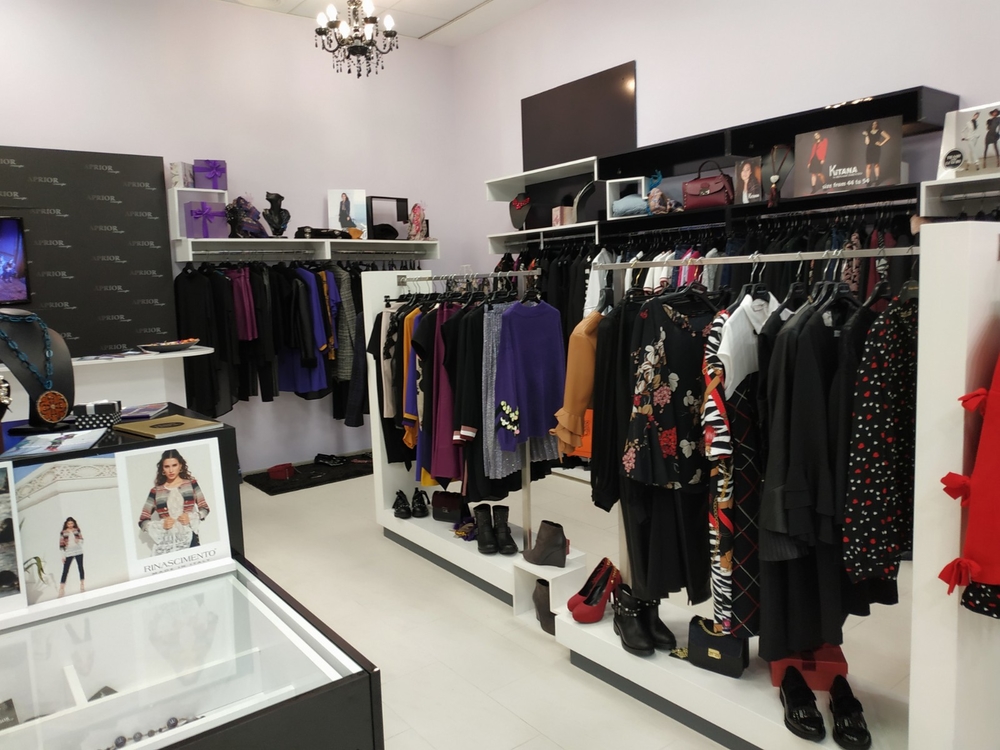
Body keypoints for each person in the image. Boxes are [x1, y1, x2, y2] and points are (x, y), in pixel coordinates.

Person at [137, 449, 211, 556]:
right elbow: (143, 521)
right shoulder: (156, 491)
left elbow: (205, 508)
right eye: (167, 466)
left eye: (174, 465)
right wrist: (161, 524)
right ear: (162, 469)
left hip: (189, 539)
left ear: (180, 466)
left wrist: (191, 517)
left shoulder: (191, 484)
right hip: (166, 543)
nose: (171, 470)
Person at [58, 517, 84, 597]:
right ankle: (61, 588)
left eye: (71, 523)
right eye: (69, 523)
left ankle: (82, 584)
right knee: (65, 570)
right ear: (66, 524)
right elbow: (61, 544)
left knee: (80, 567)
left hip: (78, 551)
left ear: (74, 523)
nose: (70, 525)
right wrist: (63, 555)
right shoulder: (63, 532)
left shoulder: (77, 530)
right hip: (68, 552)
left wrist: (78, 540)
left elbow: (81, 539)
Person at [864, 121, 891, 185]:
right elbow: (867, 143)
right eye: (873, 124)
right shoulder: (868, 131)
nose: (874, 125)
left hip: (876, 149)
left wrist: (881, 143)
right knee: (868, 165)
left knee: (876, 164)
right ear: (871, 124)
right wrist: (866, 135)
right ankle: (868, 180)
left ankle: (877, 179)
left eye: (875, 124)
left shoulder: (879, 131)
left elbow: (888, 137)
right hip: (869, 149)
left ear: (877, 124)